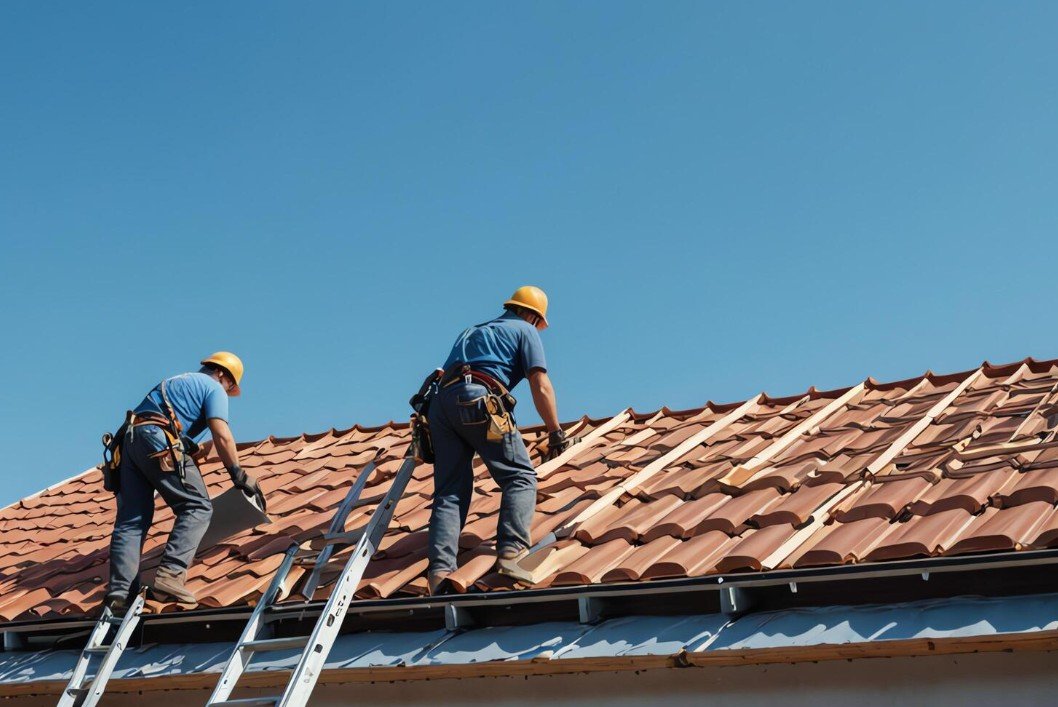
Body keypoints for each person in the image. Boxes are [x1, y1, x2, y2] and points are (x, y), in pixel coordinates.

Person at [427, 286, 573, 593]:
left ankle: (439, 572)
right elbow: (540, 383)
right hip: (478, 399)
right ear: (532, 315)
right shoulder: (525, 330)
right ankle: (513, 552)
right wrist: (555, 431)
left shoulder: (472, 331)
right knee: (520, 476)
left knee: (450, 492)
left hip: (440, 407)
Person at [105, 352, 264, 611]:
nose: (227, 390)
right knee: (197, 507)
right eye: (229, 385)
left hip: (130, 444)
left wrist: (190, 450)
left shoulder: (178, 382)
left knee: (132, 520)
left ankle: (120, 593)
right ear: (222, 374)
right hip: (157, 439)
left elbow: (167, 420)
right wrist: (238, 473)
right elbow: (221, 433)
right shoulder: (214, 388)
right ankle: (171, 576)